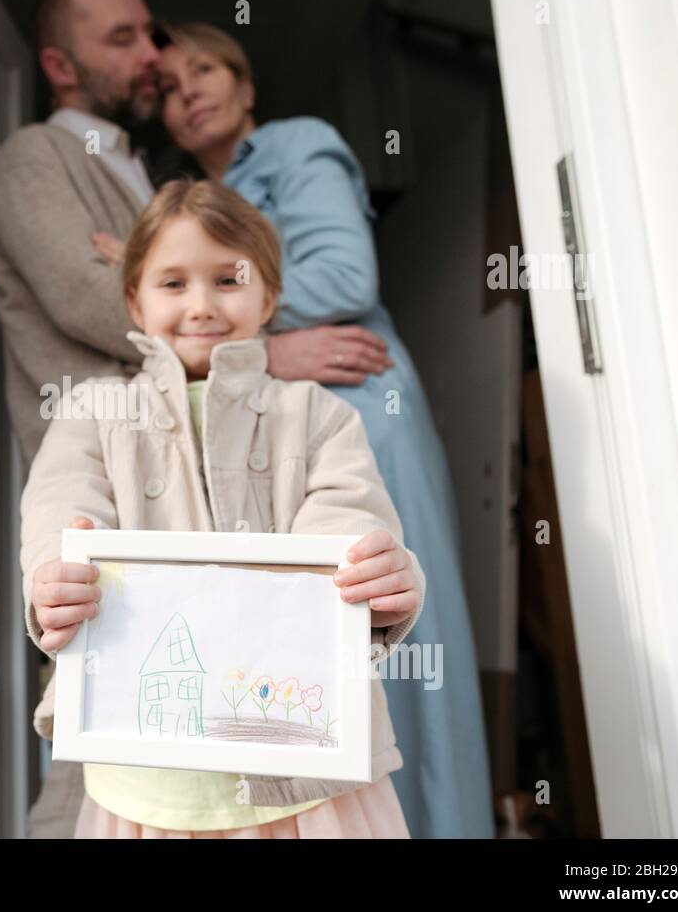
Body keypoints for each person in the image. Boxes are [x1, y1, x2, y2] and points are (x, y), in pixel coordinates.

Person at [0, 0, 393, 837]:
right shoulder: (34, 159)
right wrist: (259, 351)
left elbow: (343, 525)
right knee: (119, 743)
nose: (154, 57)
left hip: (272, 654)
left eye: (153, 37)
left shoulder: (312, 418)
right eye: (126, 39)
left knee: (241, 742)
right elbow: (76, 298)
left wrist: (354, 584)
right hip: (129, 490)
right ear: (58, 64)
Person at [110, 21, 495, 838]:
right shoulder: (181, 200)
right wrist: (260, 349)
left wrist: (252, 343)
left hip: (357, 403)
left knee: (383, 619)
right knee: (295, 648)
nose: (191, 92)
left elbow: (349, 272)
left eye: (206, 69)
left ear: (247, 86)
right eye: (171, 89)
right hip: (264, 414)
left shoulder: (296, 144)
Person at [22, 178, 424, 838]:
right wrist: (52, 581)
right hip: (147, 784)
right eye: (173, 283)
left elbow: (349, 526)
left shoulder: (320, 416)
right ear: (134, 299)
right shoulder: (91, 414)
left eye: (229, 280)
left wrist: (376, 580)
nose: (201, 304)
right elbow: (59, 516)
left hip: (306, 780)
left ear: (269, 296)